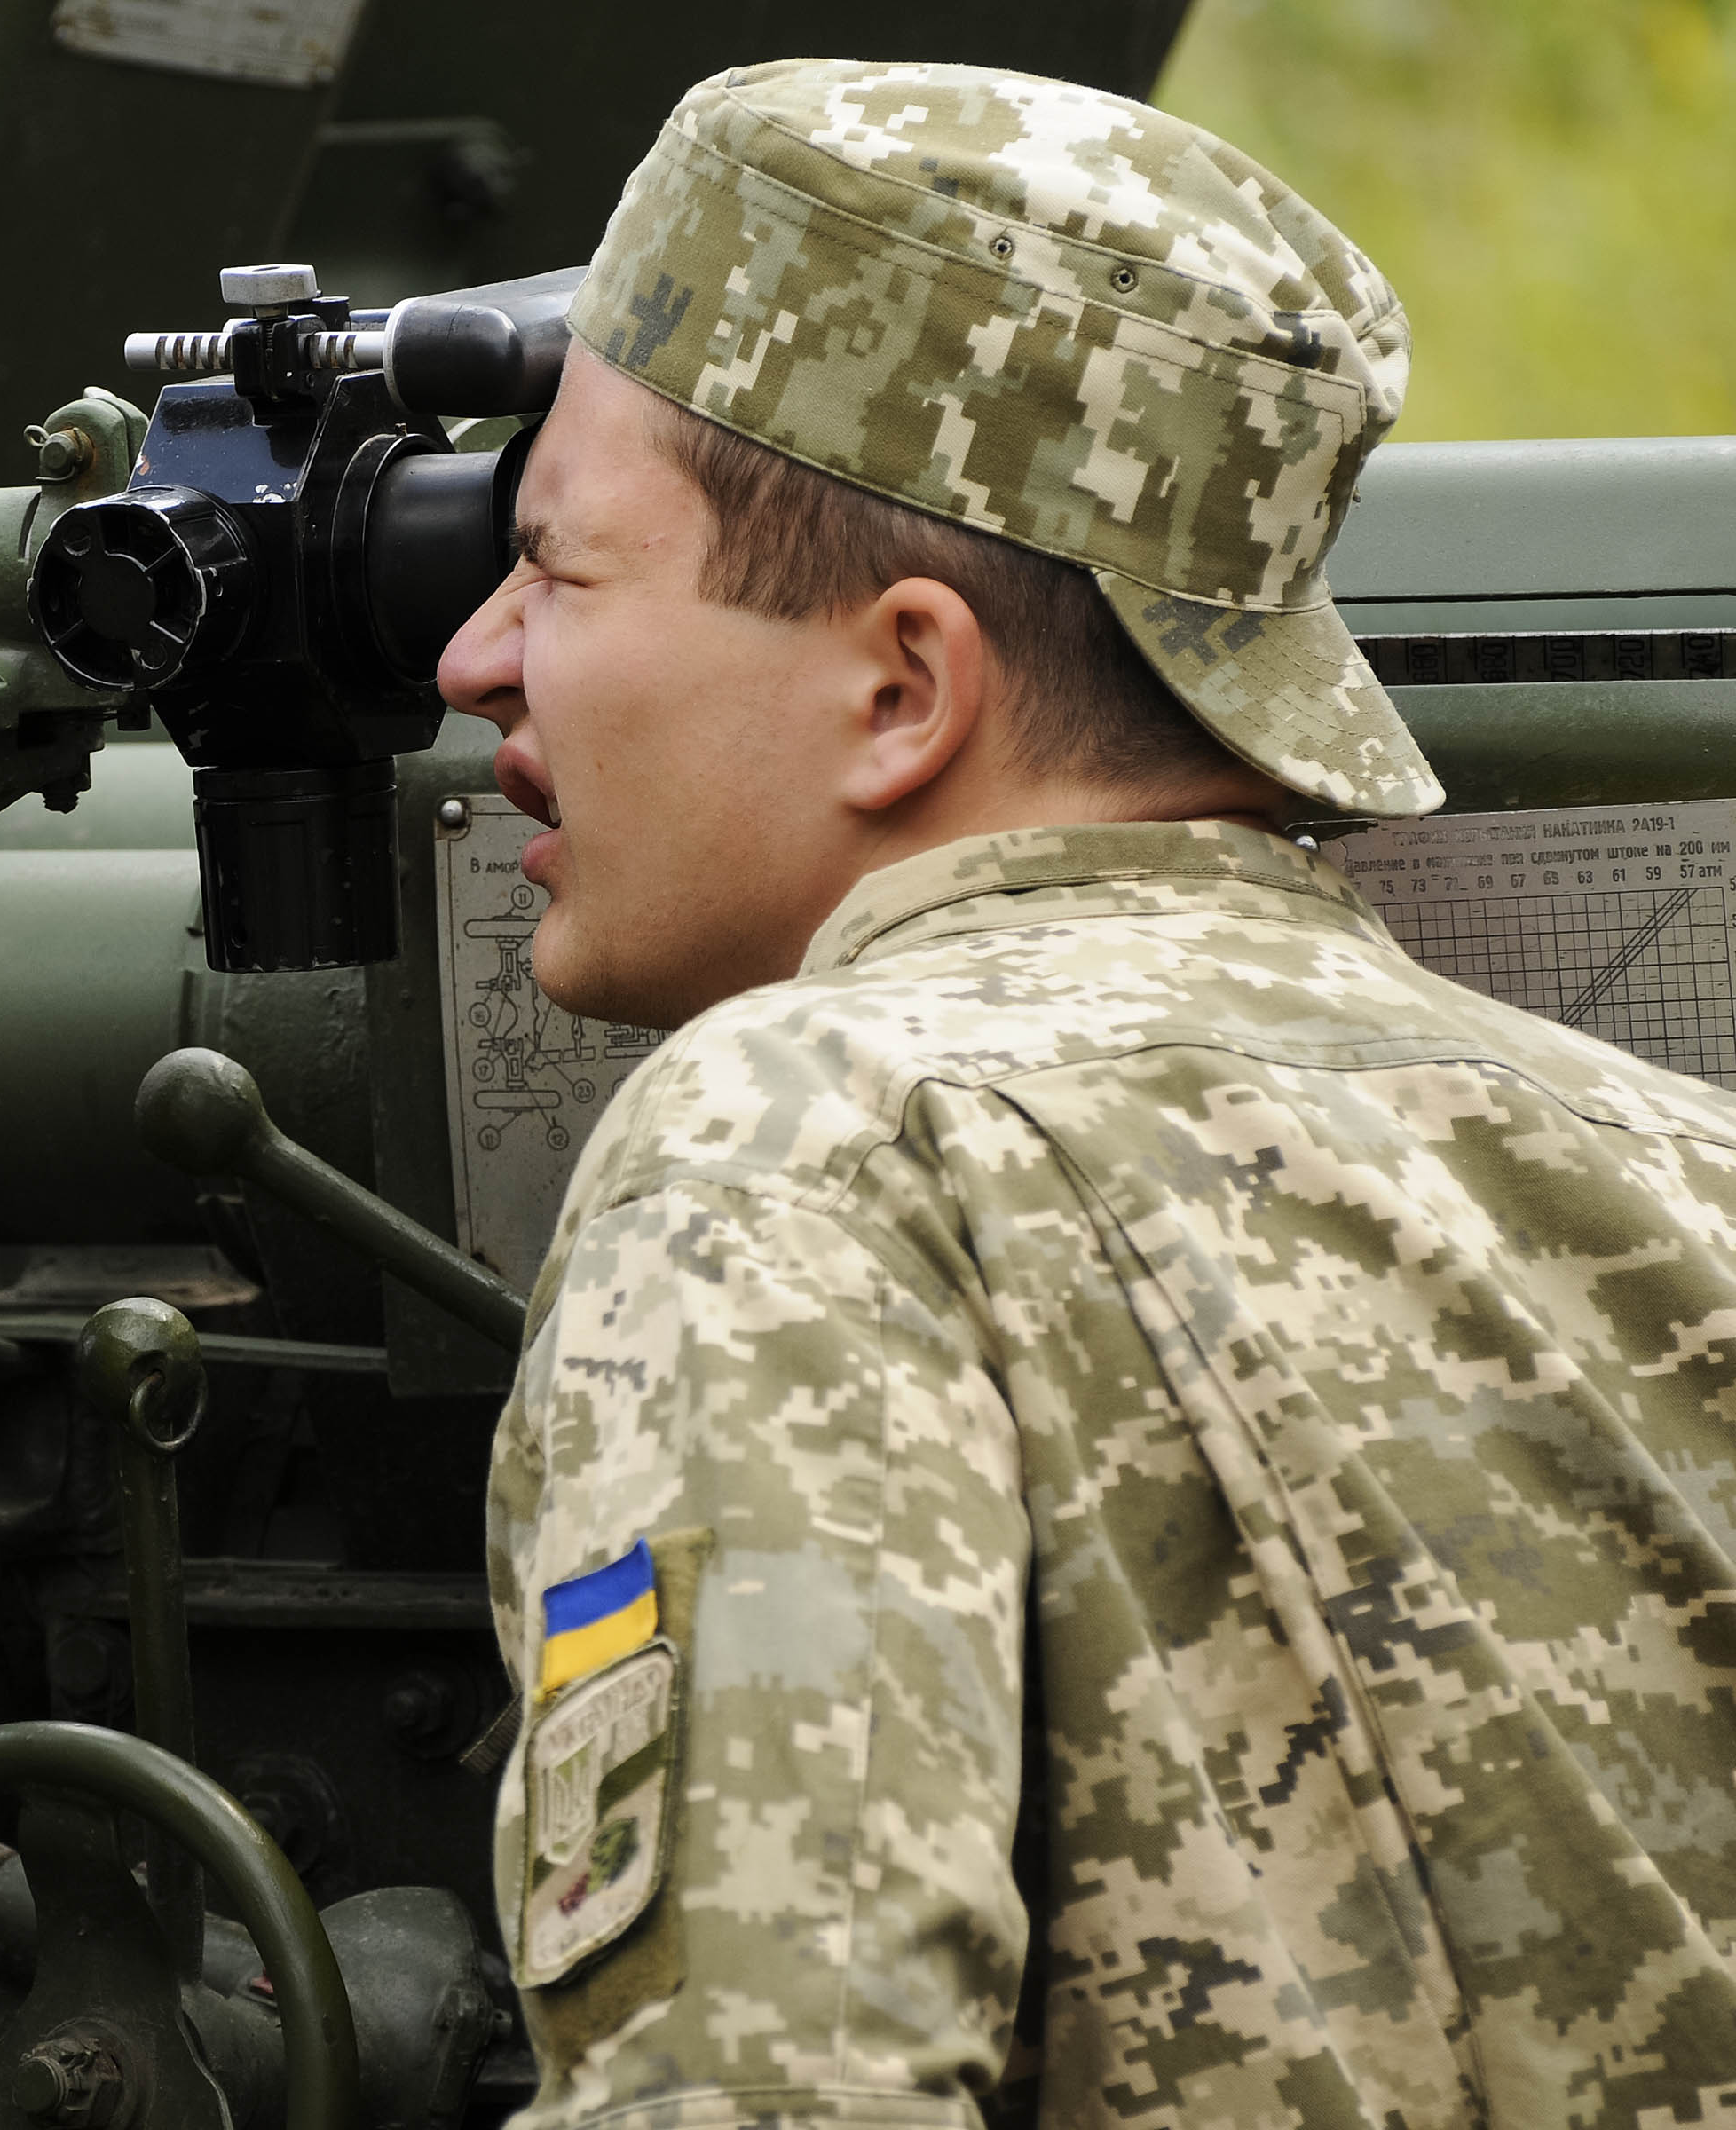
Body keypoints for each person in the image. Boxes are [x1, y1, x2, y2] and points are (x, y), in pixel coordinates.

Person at [438, 58, 1736, 2130]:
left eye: (561, 571)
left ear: (905, 687)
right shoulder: (1686, 1163)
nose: (476, 657)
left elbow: (775, 2093)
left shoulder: (804, 1143)